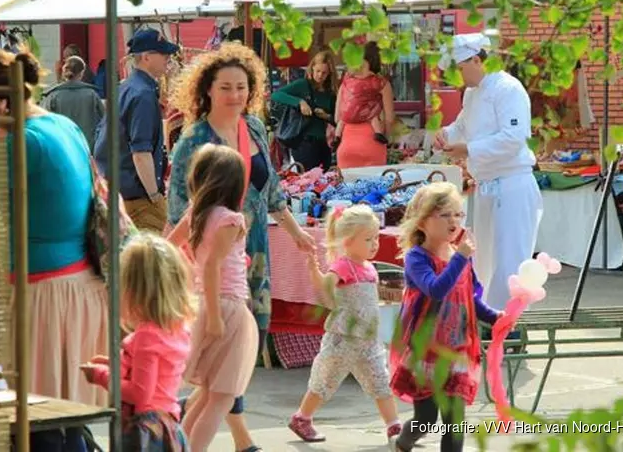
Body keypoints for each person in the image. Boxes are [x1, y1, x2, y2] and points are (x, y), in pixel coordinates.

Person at [166, 41, 316, 452]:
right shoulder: (193, 140)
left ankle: (195, 424)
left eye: (241, 87)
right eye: (226, 87)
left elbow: (271, 191)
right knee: (225, 346)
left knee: (248, 339)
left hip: (255, 245)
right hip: (215, 249)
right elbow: (182, 209)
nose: (235, 95)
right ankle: (235, 434)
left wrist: (295, 231)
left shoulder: (253, 128)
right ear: (207, 90)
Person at [0, 50, 108, 450]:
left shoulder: (21, 142)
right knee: (69, 415)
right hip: (77, 287)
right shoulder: (61, 125)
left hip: (39, 295)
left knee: (37, 422)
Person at [433, 33, 543, 327]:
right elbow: (464, 125)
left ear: (477, 60)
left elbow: (514, 138)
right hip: (486, 185)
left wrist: (468, 148)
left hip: (512, 183)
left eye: (460, 67)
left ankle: (508, 324)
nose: (458, 74)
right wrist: (447, 134)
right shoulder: (472, 93)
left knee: (511, 259)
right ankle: (484, 318)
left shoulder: (509, 89)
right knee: (483, 259)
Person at [389, 182, 502, 452]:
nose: (454, 221)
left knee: (455, 424)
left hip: (458, 350)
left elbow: (469, 298)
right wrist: (461, 258)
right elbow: (436, 289)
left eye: (457, 214)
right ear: (422, 222)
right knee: (426, 419)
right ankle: (403, 442)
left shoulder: (459, 256)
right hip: (425, 352)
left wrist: (496, 317)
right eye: (445, 214)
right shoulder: (417, 258)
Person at [168, 144, 259, 451]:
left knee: (207, 393)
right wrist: (217, 317)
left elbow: (171, 246)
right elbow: (212, 266)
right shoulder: (231, 220)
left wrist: (190, 270)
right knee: (222, 396)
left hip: (202, 304)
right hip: (226, 307)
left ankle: (178, 445)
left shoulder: (196, 213)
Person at [289, 204, 401, 444]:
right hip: (343, 338)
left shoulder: (370, 268)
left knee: (381, 381)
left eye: (376, 238)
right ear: (348, 242)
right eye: (368, 239)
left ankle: (394, 426)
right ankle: (302, 417)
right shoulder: (343, 266)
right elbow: (324, 289)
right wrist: (313, 271)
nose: (375, 244)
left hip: (368, 340)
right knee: (325, 380)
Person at [81, 232, 195, 451]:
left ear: (134, 291)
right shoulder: (175, 329)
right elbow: (153, 374)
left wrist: (102, 376)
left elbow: (140, 393)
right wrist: (114, 365)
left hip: (145, 430)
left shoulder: (147, 336)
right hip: (168, 425)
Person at [94, 28, 179, 233]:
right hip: (137, 196)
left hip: (118, 189)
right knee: (153, 257)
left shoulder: (127, 88)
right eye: (163, 53)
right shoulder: (142, 94)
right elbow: (141, 153)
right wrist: (154, 195)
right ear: (147, 57)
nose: (169, 57)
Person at [270, 50, 338, 171]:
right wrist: (299, 102)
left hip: (324, 144)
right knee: (307, 180)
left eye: (324, 73)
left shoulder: (330, 93)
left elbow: (337, 118)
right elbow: (276, 95)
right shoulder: (303, 85)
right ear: (312, 69)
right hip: (304, 142)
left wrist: (326, 116)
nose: (320, 75)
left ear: (329, 74)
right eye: (317, 71)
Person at [332, 41, 395, 168]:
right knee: (374, 187)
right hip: (372, 145)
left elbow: (337, 117)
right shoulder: (382, 83)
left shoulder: (346, 83)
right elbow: (389, 119)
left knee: (346, 187)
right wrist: (387, 139)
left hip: (346, 146)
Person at [41, 55, 105, 151]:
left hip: (62, 146)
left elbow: (44, 123)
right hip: (87, 147)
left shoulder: (53, 96)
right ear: (82, 73)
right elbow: (104, 120)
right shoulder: (92, 95)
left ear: (64, 72)